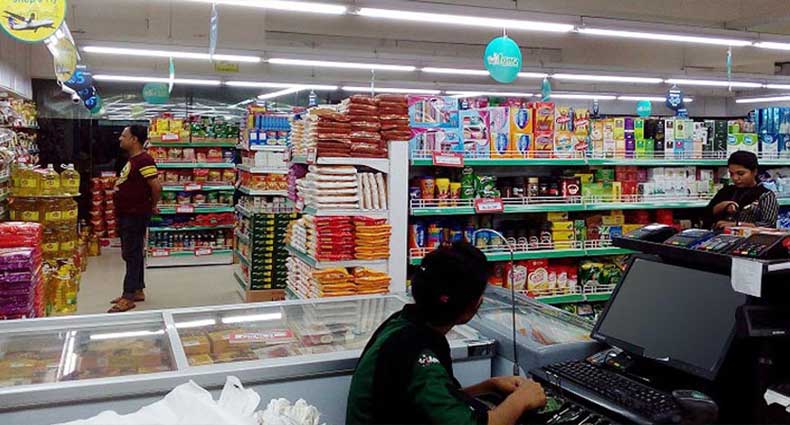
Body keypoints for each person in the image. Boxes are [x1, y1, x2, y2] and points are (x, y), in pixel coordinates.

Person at [346, 242, 546, 425]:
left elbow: (435, 401)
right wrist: (521, 400)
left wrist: (489, 386)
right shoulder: (419, 357)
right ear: (472, 305)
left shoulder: (403, 322)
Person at [109, 125, 161, 313]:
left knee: (131, 254)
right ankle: (137, 289)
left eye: (124, 136)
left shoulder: (144, 160)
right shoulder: (134, 160)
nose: (120, 139)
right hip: (128, 213)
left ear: (134, 139)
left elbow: (156, 186)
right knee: (134, 252)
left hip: (135, 213)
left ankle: (128, 296)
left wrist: (152, 205)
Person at [706, 150, 778, 230]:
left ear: (754, 172)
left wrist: (737, 225)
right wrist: (724, 205)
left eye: (740, 174)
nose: (735, 178)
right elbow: (706, 215)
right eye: (731, 174)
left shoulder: (766, 195)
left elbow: (769, 225)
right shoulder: (726, 191)